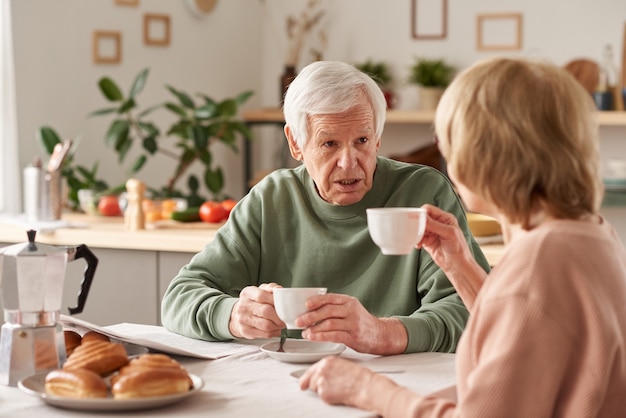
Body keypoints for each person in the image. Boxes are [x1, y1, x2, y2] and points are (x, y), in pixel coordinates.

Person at [298, 57, 626, 416]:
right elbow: (523, 348)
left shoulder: (538, 262)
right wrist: (461, 268)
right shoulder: (590, 232)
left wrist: (370, 389)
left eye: (447, 139)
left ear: (484, 153)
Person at [161, 60, 490, 355]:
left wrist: (385, 334)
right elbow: (178, 297)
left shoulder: (422, 191)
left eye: (361, 141)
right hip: (289, 386)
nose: (349, 163)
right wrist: (233, 315)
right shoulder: (271, 199)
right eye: (330, 143)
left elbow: (476, 311)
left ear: (377, 138)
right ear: (295, 143)